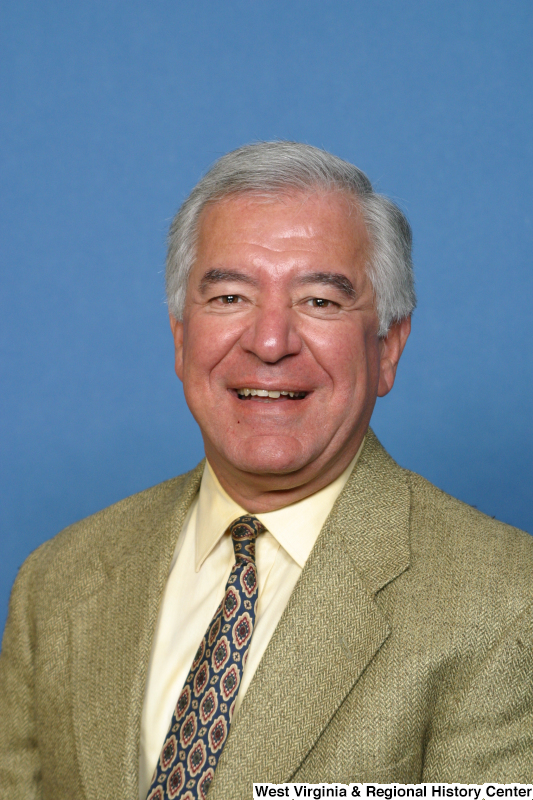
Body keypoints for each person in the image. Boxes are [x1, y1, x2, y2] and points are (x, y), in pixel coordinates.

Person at [1, 142, 532, 799]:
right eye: (229, 297)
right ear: (179, 337)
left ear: (388, 348)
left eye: (319, 301)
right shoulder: (56, 581)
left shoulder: (507, 601)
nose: (270, 341)